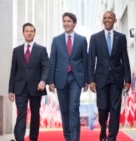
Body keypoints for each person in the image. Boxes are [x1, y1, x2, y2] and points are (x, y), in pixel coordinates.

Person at [88, 11, 131, 141]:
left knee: (115, 108)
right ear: (103, 20)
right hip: (100, 79)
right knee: (102, 108)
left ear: (115, 20)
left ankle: (112, 137)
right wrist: (91, 80)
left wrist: (127, 80)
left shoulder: (121, 37)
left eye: (109, 18)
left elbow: (125, 59)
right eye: (105, 18)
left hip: (117, 79)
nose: (107, 20)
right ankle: (102, 130)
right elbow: (91, 61)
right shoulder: (95, 38)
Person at [48, 12, 88, 141]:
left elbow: (85, 61)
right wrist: (51, 81)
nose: (66, 23)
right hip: (61, 79)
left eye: (69, 21)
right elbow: (52, 61)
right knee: (65, 110)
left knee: (73, 108)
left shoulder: (82, 40)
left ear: (74, 23)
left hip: (76, 78)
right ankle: (68, 137)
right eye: (64, 21)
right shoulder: (56, 40)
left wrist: (87, 80)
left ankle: (75, 138)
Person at [8, 23, 49, 141]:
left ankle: (33, 138)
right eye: (27, 31)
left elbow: (46, 67)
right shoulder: (16, 51)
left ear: (34, 33)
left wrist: (43, 81)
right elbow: (13, 70)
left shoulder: (41, 50)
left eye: (31, 31)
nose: (29, 33)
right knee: (21, 113)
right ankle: (19, 138)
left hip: (36, 87)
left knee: (35, 114)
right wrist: (10, 90)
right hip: (20, 87)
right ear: (23, 33)